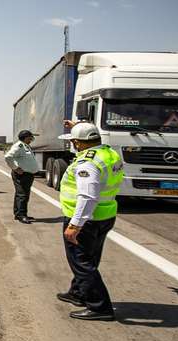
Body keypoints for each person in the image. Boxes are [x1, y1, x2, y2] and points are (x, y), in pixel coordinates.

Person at [56, 121, 124, 321]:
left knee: (81, 262)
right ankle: (78, 293)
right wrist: (78, 125)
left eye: (74, 141)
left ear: (79, 143)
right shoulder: (109, 153)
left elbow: (87, 196)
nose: (73, 145)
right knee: (91, 256)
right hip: (105, 215)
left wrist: (75, 225)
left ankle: (99, 306)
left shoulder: (87, 163)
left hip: (86, 220)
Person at [4, 130, 38, 223]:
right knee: (22, 195)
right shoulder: (19, 146)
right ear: (25, 137)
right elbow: (8, 157)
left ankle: (19, 213)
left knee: (22, 194)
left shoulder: (25, 146)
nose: (31, 139)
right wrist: (15, 168)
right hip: (22, 175)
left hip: (27, 175)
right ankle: (21, 215)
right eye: (30, 137)